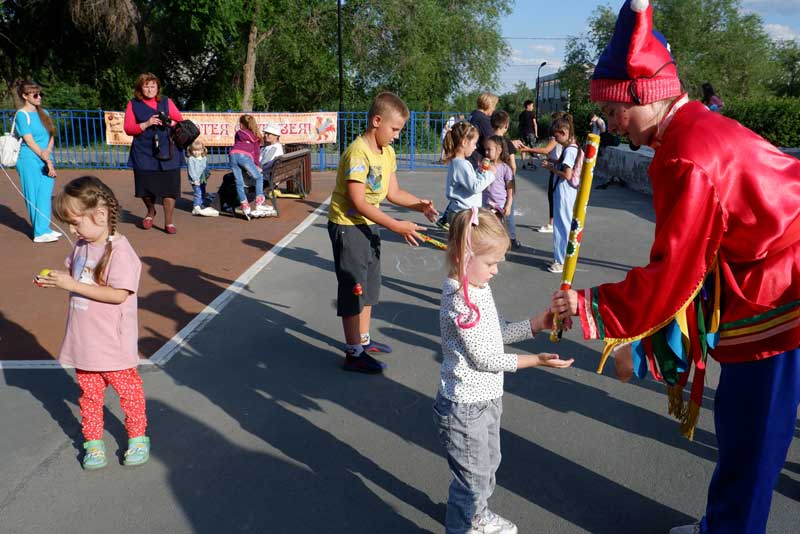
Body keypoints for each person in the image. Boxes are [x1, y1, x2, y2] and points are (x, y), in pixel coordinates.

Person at [550, 2, 800, 533]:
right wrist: (643, 347)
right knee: (741, 420)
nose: (612, 122)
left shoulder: (683, 154)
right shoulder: (688, 129)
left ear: (647, 93)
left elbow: (675, 275)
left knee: (753, 429)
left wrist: (593, 308)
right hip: (766, 270)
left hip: (780, 281)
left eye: (617, 109)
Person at [434, 207, 573, 534]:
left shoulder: (479, 289)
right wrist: (536, 361)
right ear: (463, 256)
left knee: (487, 467)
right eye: (491, 263)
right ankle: (463, 525)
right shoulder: (461, 303)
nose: (496, 270)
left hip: (486, 399)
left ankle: (477, 515)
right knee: (472, 479)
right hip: (465, 407)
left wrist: (537, 324)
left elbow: (496, 334)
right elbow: (487, 359)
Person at [36, 176, 149, 470]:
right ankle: (93, 442)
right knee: (89, 396)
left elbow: (117, 295)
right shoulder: (83, 245)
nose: (72, 230)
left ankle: (137, 437)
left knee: (129, 393)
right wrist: (53, 279)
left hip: (112, 343)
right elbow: (71, 273)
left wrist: (70, 284)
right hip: (84, 340)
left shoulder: (121, 252)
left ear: (99, 215)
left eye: (75, 223)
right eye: (69, 224)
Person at [327, 91, 439, 374]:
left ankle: (363, 341)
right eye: (395, 129)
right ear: (377, 121)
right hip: (348, 227)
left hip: (368, 226)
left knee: (369, 287)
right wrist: (396, 226)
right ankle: (353, 353)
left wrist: (419, 205)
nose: (397, 136)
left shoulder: (386, 152)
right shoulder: (358, 152)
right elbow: (358, 201)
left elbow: (394, 192)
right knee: (354, 289)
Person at [124, 72, 184, 234]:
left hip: (168, 150)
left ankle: (169, 222)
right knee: (144, 187)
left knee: (169, 188)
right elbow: (129, 129)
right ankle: (151, 210)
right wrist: (147, 123)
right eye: (146, 86)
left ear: (157, 87)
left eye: (153, 86)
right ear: (140, 88)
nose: (150, 89)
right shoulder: (133, 104)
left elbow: (180, 121)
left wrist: (170, 122)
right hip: (143, 151)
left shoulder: (166, 101)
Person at [13, 79, 61, 243]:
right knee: (33, 195)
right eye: (35, 94)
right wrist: (43, 155)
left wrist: (47, 152)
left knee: (45, 194)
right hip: (29, 159)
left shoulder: (44, 113)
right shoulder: (21, 115)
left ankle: (45, 228)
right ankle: (39, 232)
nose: (39, 97)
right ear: (25, 96)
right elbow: (29, 140)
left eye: (40, 94)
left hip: (46, 157)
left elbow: (51, 135)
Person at [541, 114, 580, 274]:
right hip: (566, 191)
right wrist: (554, 163)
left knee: (562, 225)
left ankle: (562, 260)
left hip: (564, 191)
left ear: (563, 133)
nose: (555, 140)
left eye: (556, 137)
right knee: (563, 223)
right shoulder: (571, 148)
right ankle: (562, 257)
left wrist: (552, 169)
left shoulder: (570, 150)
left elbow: (567, 174)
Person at [516, 111, 566, 233]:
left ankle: (552, 224)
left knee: (553, 196)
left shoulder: (556, 136)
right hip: (556, 163)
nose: (550, 124)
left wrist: (528, 149)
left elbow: (546, 149)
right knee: (555, 196)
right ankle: (556, 223)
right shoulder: (562, 135)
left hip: (556, 167)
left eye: (552, 121)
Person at [441, 121, 496, 227]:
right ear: (465, 142)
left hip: (460, 211)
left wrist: (480, 172)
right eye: (474, 143)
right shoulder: (462, 164)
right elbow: (475, 187)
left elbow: (468, 182)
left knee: (464, 242)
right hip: (463, 213)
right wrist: (490, 174)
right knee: (466, 243)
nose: (475, 147)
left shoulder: (457, 162)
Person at [490, 110, 522, 249]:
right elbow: (513, 165)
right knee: (508, 211)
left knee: (490, 213)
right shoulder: (507, 143)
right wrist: (509, 179)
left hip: (490, 183)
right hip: (506, 183)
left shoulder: (489, 141)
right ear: (506, 126)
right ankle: (512, 238)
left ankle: (491, 237)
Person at [230, 114, 272, 219]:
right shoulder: (256, 136)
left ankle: (245, 205)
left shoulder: (238, 133)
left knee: (239, 183)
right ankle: (259, 203)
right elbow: (256, 153)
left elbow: (236, 145)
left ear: (242, 124)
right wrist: (256, 166)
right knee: (258, 177)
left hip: (233, 155)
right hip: (244, 157)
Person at [482, 136, 513, 222]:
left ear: (499, 150)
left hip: (500, 204)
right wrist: (481, 169)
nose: (486, 152)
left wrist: (508, 204)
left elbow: (510, 188)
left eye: (489, 149)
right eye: (485, 149)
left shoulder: (505, 168)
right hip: (485, 203)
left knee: (497, 229)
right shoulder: (484, 165)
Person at [186, 140, 219, 217]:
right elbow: (191, 171)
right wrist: (195, 180)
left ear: (202, 150)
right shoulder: (191, 159)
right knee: (198, 192)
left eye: (198, 150)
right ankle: (196, 207)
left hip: (202, 178)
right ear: (191, 150)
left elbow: (206, 168)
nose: (196, 152)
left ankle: (201, 204)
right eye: (194, 150)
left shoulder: (204, 158)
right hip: (195, 180)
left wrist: (207, 174)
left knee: (203, 191)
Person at [468, 92, 498, 169]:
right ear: (488, 104)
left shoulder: (473, 115)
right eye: (494, 106)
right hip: (478, 157)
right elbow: (490, 141)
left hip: (470, 155)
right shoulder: (483, 119)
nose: (494, 109)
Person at [517, 100, 538, 169]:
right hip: (530, 133)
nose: (533, 107)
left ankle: (523, 164)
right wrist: (536, 134)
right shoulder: (532, 113)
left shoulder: (521, 114)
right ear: (528, 106)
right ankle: (531, 163)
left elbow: (520, 125)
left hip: (523, 133)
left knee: (523, 148)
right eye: (532, 106)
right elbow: (535, 124)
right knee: (532, 148)